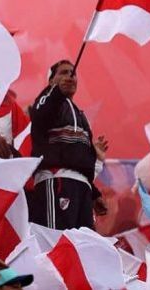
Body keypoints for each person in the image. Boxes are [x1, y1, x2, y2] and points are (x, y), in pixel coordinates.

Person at [28, 59, 105, 230]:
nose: (70, 76)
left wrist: (93, 194)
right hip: (56, 181)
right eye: (63, 73)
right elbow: (39, 116)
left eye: (73, 73)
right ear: (50, 80)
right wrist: (56, 92)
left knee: (83, 246)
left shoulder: (81, 116)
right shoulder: (45, 101)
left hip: (82, 189)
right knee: (57, 242)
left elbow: (77, 161)